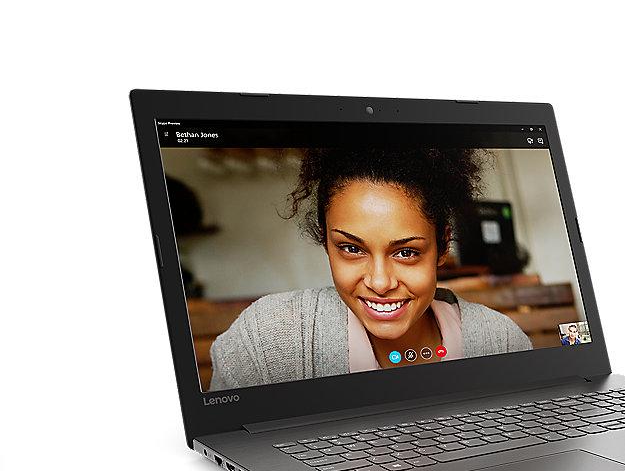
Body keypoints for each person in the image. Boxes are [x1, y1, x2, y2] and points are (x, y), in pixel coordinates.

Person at [208, 146, 533, 390]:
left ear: (443, 245)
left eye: (406, 252)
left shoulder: (501, 342)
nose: (379, 282)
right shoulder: (265, 341)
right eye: (352, 249)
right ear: (326, 242)